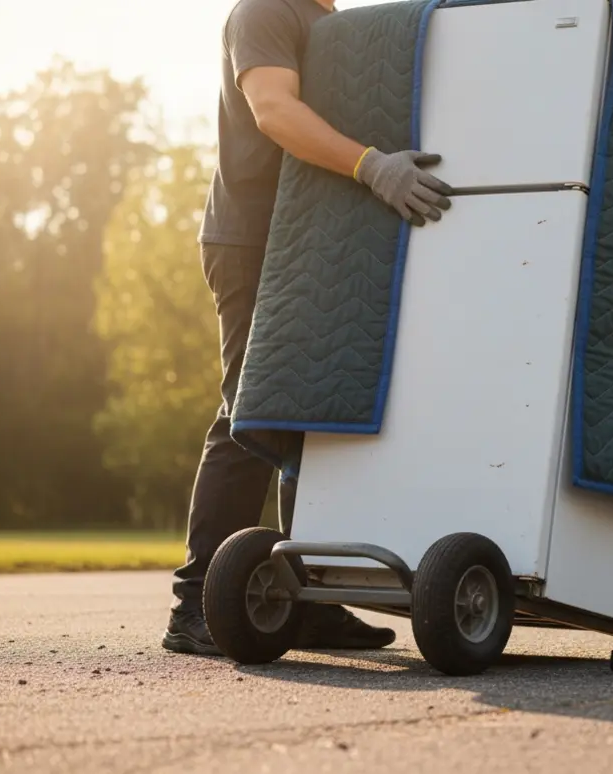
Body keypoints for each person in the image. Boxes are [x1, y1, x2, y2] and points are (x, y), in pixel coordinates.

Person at [164, 0, 454, 656]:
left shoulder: (330, 18)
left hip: (314, 242)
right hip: (253, 240)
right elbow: (273, 110)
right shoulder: (266, 10)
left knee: (313, 417)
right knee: (250, 413)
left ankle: (309, 600)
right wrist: (372, 165)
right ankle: (196, 604)